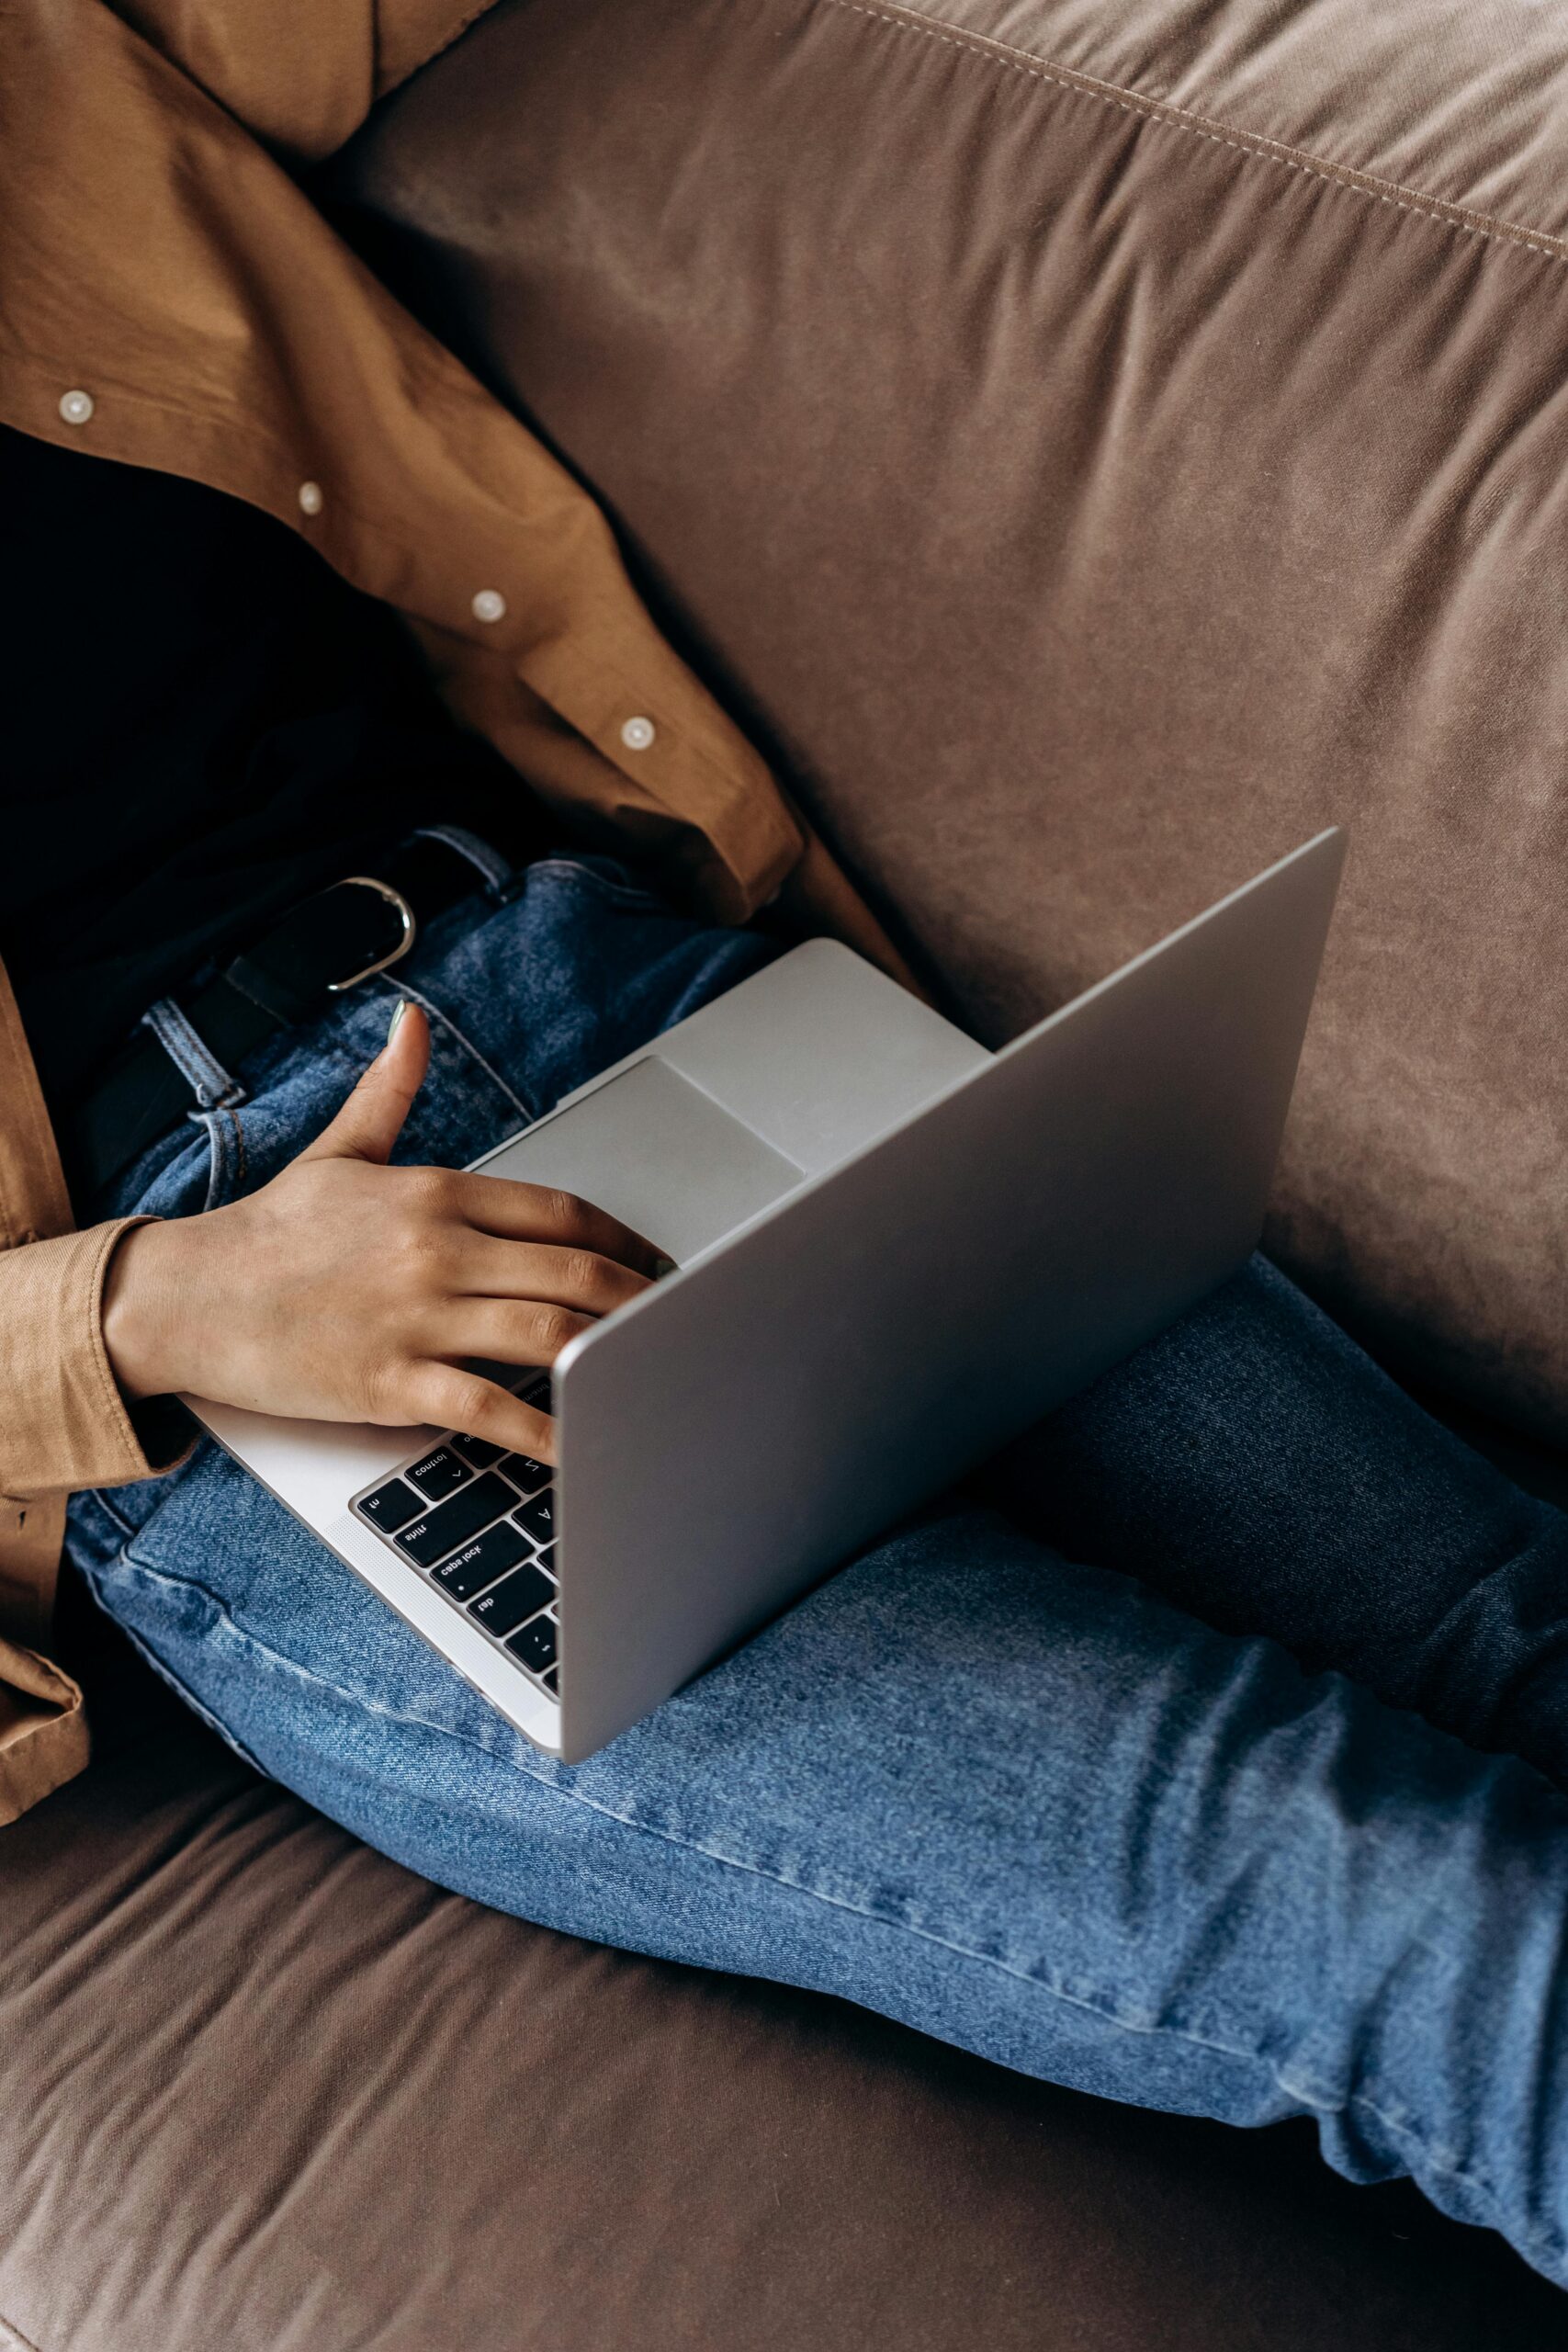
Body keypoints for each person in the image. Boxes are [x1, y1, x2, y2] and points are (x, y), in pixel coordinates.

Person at [7, 422, 1568, 2294]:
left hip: (616, 975)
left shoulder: (71, 144)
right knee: (1404, 1927)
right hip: (239, 1331)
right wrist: (150, 1306)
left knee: (1513, 1633)